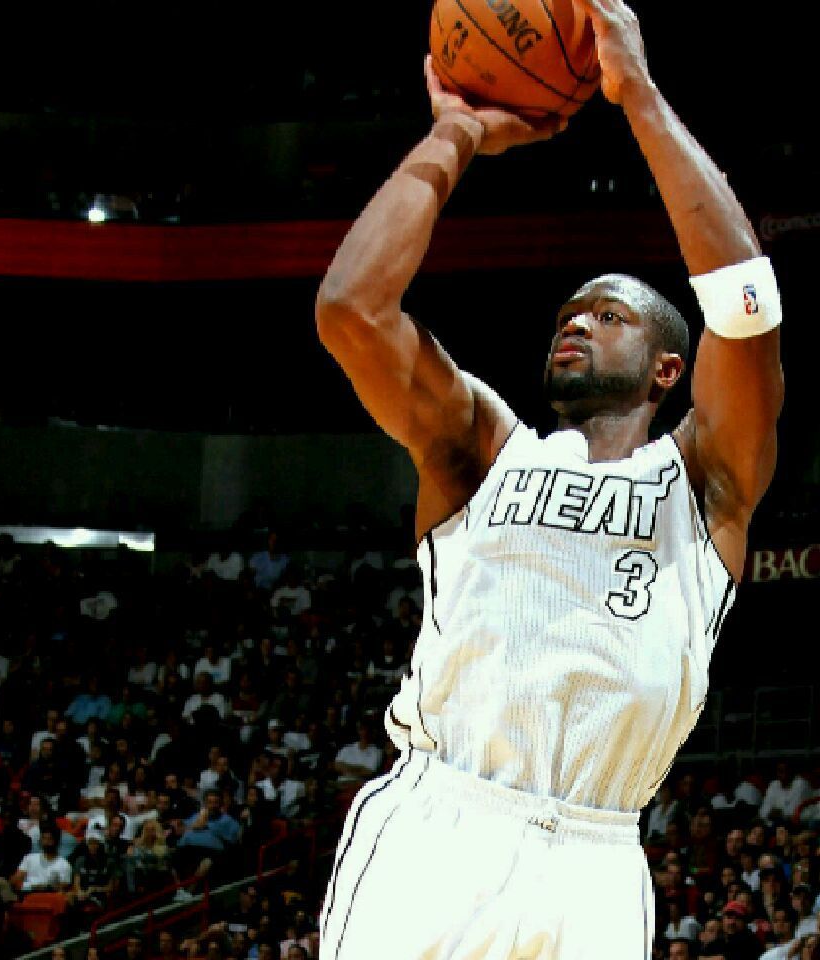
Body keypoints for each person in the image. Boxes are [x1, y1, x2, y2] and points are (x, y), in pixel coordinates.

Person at [314, 0, 784, 956]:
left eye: (608, 316)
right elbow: (350, 310)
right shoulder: (485, 450)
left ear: (668, 368)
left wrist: (639, 97)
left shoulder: (706, 483)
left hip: (598, 864)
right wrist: (453, 135)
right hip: (441, 826)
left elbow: (746, 306)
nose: (576, 323)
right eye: (569, 314)